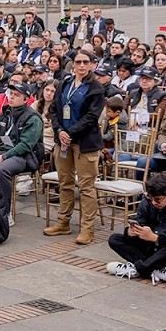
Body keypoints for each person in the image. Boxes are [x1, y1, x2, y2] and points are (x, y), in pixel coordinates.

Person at [44, 50, 105, 245]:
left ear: (92, 65)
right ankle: (63, 222)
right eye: (78, 62)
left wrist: (70, 133)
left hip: (84, 143)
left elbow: (92, 117)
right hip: (63, 141)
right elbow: (53, 109)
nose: (81, 65)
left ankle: (87, 229)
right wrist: (59, 130)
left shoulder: (95, 87)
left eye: (85, 62)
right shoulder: (65, 83)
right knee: (65, 182)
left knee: (86, 187)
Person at [105, 173, 166, 285]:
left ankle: (139, 269)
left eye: (158, 200)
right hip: (152, 250)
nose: (154, 202)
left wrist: (155, 238)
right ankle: (156, 270)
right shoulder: (147, 202)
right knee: (115, 239)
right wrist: (131, 232)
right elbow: (140, 222)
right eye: (151, 198)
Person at [0, 81, 45, 203]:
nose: (11, 97)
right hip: (1, 152)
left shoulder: (33, 118)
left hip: (24, 156)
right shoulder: (5, 113)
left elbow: (25, 146)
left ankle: (4, 211)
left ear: (26, 99)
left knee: (1, 169)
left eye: (16, 95)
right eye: (11, 93)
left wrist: (3, 157)